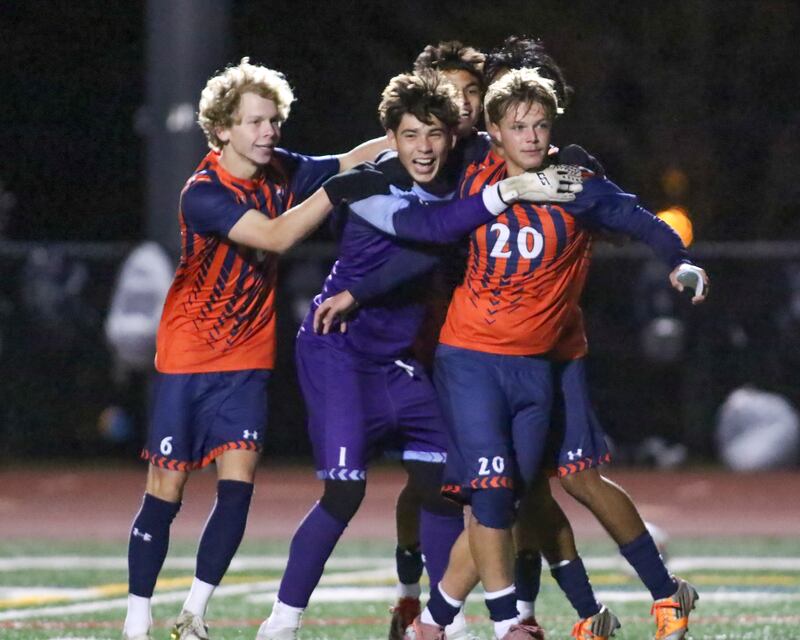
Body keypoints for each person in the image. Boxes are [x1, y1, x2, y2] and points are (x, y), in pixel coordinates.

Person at [255, 70, 582, 640]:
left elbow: (539, 159)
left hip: (403, 361)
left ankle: (439, 623)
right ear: (391, 137)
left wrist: (578, 170)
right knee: (345, 491)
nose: (423, 147)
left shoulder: (462, 175)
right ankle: (280, 624)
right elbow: (428, 233)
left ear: (453, 134)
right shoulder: (368, 183)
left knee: (441, 487)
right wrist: (351, 277)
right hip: (339, 352)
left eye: (435, 133)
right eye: (410, 135)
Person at [121, 57, 390, 640]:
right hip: (189, 358)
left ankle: (193, 613)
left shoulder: (282, 171)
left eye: (273, 120)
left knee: (237, 491)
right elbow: (276, 235)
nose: (269, 131)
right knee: (165, 493)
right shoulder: (204, 192)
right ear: (222, 129)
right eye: (254, 122)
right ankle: (136, 620)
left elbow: (345, 162)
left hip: (247, 358)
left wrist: (405, 136)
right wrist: (340, 191)